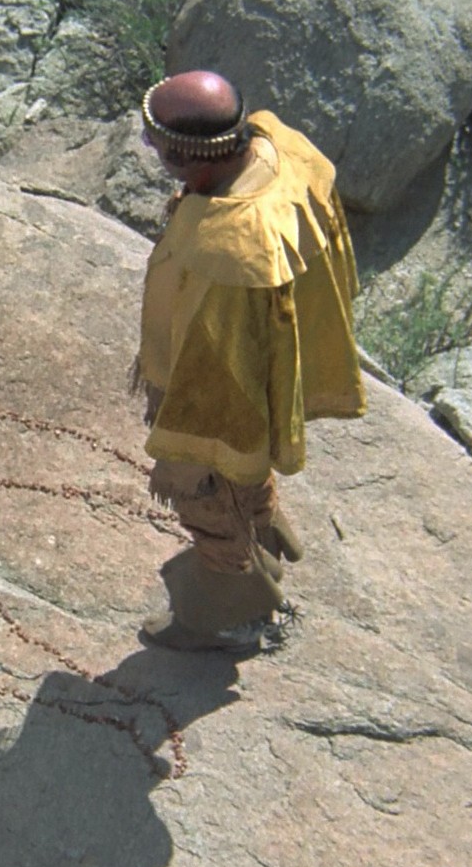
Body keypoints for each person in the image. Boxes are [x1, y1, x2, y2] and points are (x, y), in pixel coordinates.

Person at [133, 70, 366, 653]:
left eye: (161, 148)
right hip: (268, 354)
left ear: (194, 161)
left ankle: (227, 610)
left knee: (209, 491)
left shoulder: (229, 257)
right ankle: (262, 523)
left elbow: (215, 392)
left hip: (228, 389)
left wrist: (184, 459)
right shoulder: (276, 146)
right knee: (241, 471)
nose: (154, 153)